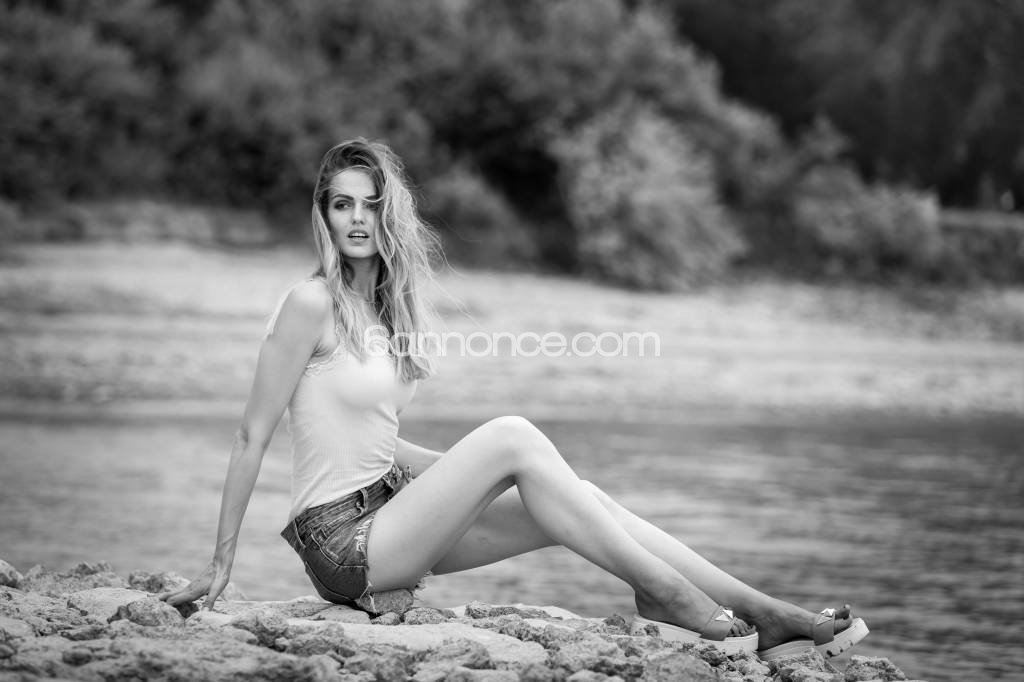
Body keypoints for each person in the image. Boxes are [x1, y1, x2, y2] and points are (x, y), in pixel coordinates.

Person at [158, 138, 868, 658]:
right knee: (512, 434)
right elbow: (252, 434)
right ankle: (671, 596)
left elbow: (376, 443)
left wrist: (473, 477)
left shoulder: (382, 313)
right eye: (342, 204)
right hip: (342, 544)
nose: (357, 219)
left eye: (371, 205)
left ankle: (763, 610)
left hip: (392, 515)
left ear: (388, 215)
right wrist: (221, 563)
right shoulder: (309, 303)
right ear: (323, 214)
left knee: (581, 497)